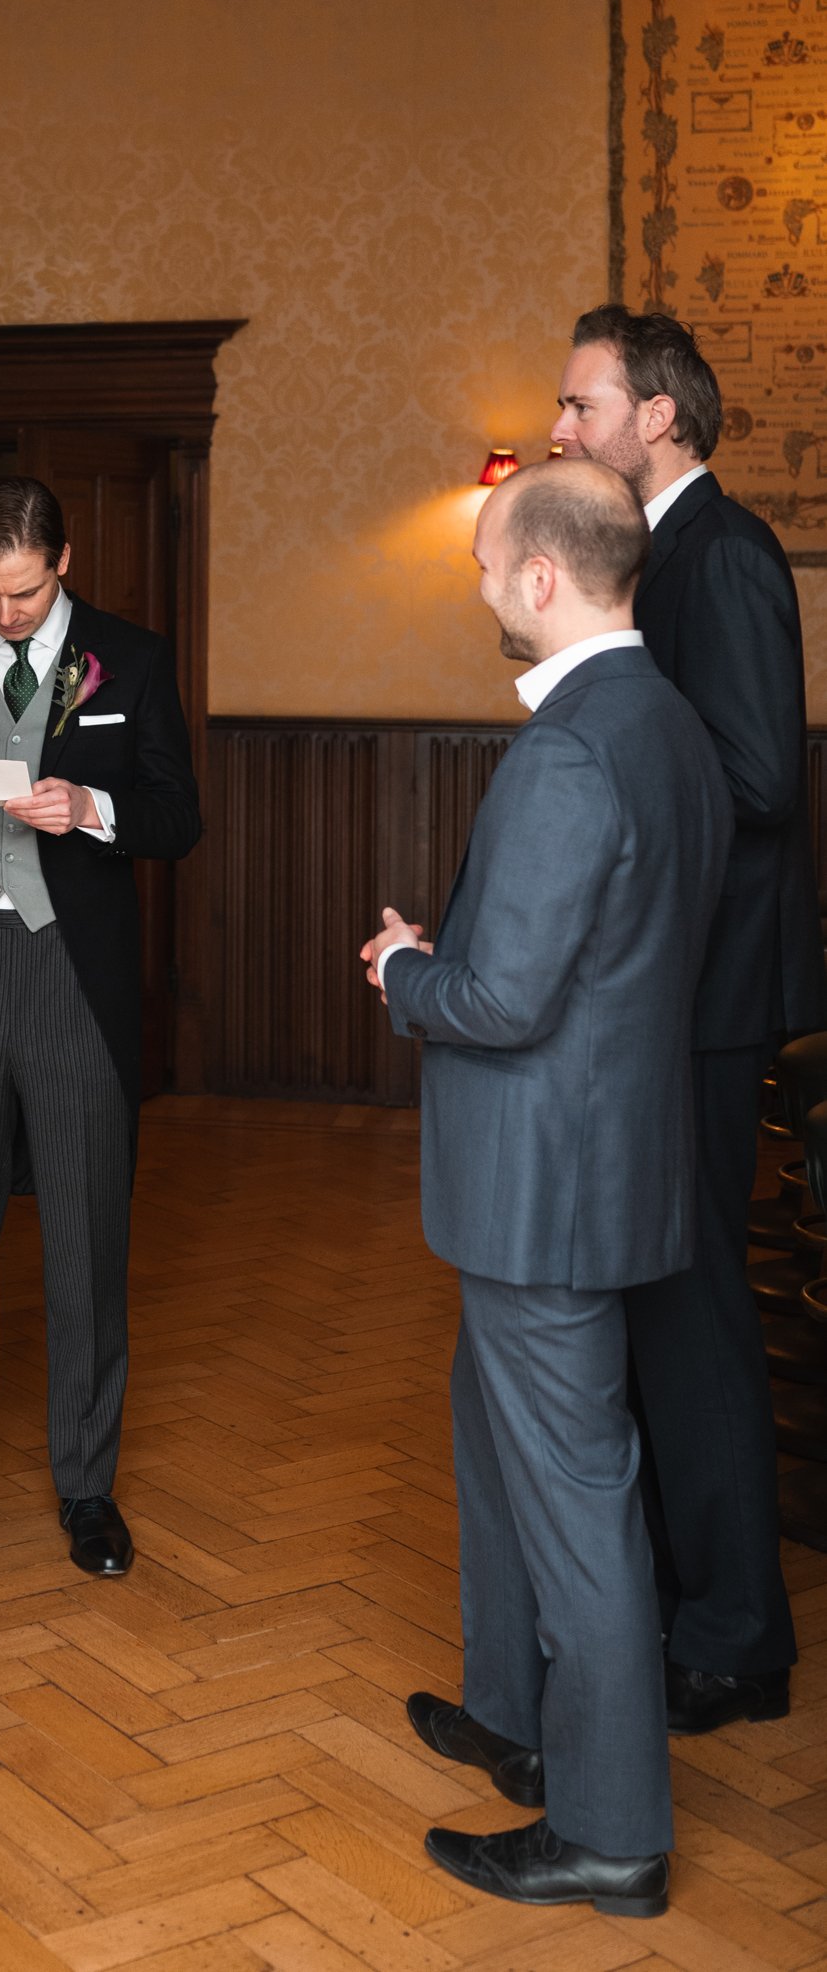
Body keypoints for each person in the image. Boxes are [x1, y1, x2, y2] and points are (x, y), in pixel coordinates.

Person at [362, 460, 731, 1917]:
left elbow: (506, 998)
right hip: (603, 1164)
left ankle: (607, 1831)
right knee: (492, 1439)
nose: (472, 587)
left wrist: (403, 972)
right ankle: (512, 1714)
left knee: (577, 1501)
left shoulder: (571, 748)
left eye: (478, 565)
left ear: (536, 578)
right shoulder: (667, 725)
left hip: (543, 1187)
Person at [551, 306, 825, 1730]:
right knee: (662, 1301)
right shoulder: (657, 555)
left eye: (577, 403)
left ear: (654, 415)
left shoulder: (721, 557)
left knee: (695, 1310)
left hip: (709, 1001)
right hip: (665, 989)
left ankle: (732, 1640)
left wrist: (610, 814)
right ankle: (674, 1605)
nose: (558, 428)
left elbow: (758, 782)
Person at [0, 477, 201, 1576]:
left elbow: (177, 815)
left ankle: (85, 1483)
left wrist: (91, 810)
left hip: (73, 971)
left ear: (60, 560)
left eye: (19, 592)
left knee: (83, 1239)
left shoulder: (131, 658)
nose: (2, 614)